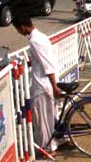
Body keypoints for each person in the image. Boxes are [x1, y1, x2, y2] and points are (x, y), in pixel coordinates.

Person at [11, 14, 61, 154]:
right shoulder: (41, 37)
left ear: (22, 27)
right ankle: (52, 145)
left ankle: (47, 149)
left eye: (18, 30)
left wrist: (54, 85)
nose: (19, 33)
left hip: (42, 85)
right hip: (46, 83)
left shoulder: (35, 41)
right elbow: (40, 60)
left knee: (42, 120)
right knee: (49, 118)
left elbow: (47, 65)